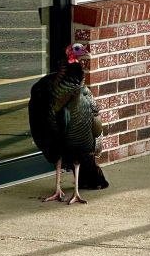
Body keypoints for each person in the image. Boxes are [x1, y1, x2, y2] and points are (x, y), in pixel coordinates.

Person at [28, 44, 107, 205]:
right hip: (56, 130)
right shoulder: (44, 91)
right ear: (69, 53)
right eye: (78, 50)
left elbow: (96, 128)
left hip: (79, 138)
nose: (83, 52)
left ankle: (77, 191)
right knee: (56, 153)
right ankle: (57, 189)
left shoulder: (84, 94)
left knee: (78, 157)